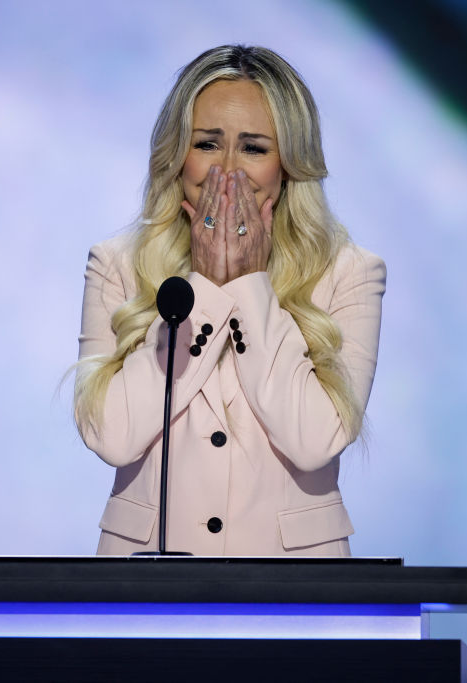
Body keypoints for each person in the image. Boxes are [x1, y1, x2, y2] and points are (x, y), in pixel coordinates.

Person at [74, 45, 385, 556]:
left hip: (295, 585)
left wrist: (248, 286)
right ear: (177, 155)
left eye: (254, 148)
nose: (228, 171)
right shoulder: (116, 264)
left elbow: (314, 440)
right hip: (148, 580)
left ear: (288, 165)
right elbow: (112, 436)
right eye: (208, 144)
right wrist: (207, 290)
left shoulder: (350, 274)